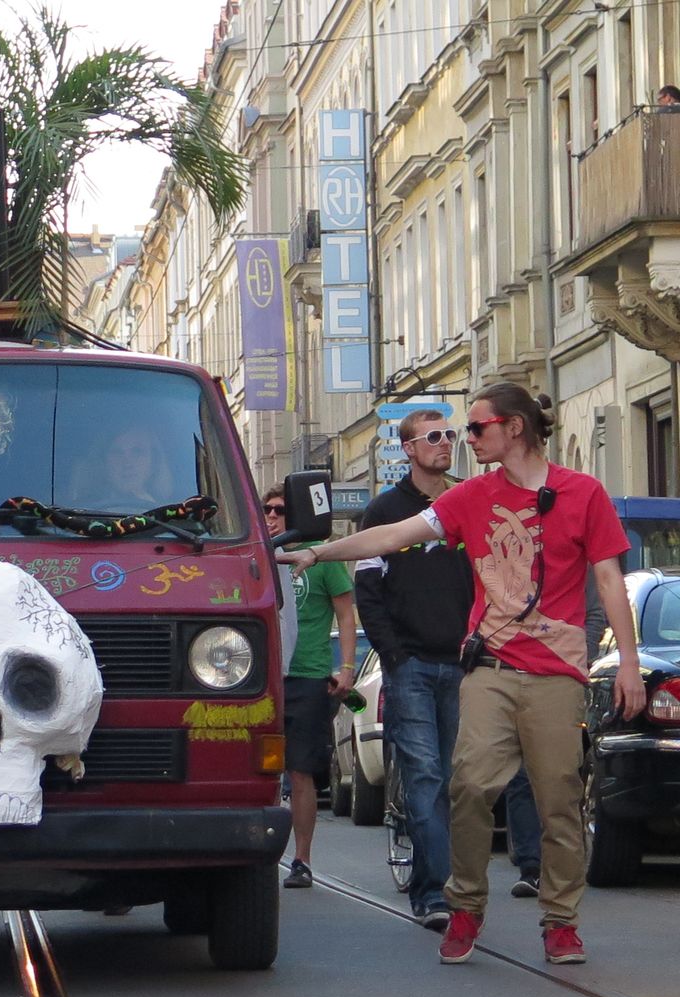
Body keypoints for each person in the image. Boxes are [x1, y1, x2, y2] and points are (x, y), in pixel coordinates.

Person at [283, 382, 645, 966]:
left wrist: (628, 662)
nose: (464, 439)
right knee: (470, 787)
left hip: (556, 673)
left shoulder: (583, 493)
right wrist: (317, 551)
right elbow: (395, 535)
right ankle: (467, 906)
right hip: (489, 669)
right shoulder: (472, 497)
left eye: (475, 428)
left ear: (514, 428)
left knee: (557, 798)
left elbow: (607, 580)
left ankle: (561, 921)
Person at [353, 411, 470, 930]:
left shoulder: (467, 502)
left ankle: (447, 881)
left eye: (451, 435)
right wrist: (394, 657)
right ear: (408, 449)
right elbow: (367, 593)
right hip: (413, 667)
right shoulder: (383, 512)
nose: (446, 444)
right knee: (425, 779)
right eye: (434, 437)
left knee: (458, 782)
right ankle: (434, 894)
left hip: (466, 664)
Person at [265, 485, 355, 890]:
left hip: (307, 675)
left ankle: (301, 859)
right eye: (266, 511)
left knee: (300, 771)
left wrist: (348, 666)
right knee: (258, 771)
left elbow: (345, 613)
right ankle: (254, 852)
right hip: (261, 677)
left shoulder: (322, 556)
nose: (271, 518)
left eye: (280, 511)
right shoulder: (256, 553)